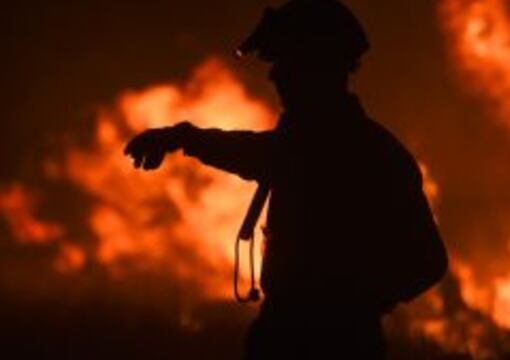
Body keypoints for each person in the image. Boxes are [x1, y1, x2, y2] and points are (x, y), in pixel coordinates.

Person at [124, 1, 447, 358]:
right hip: (304, 335)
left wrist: (348, 304)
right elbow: (255, 152)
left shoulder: (358, 153)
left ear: (319, 69)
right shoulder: (348, 148)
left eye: (287, 64)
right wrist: (181, 137)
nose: (274, 76)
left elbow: (428, 261)